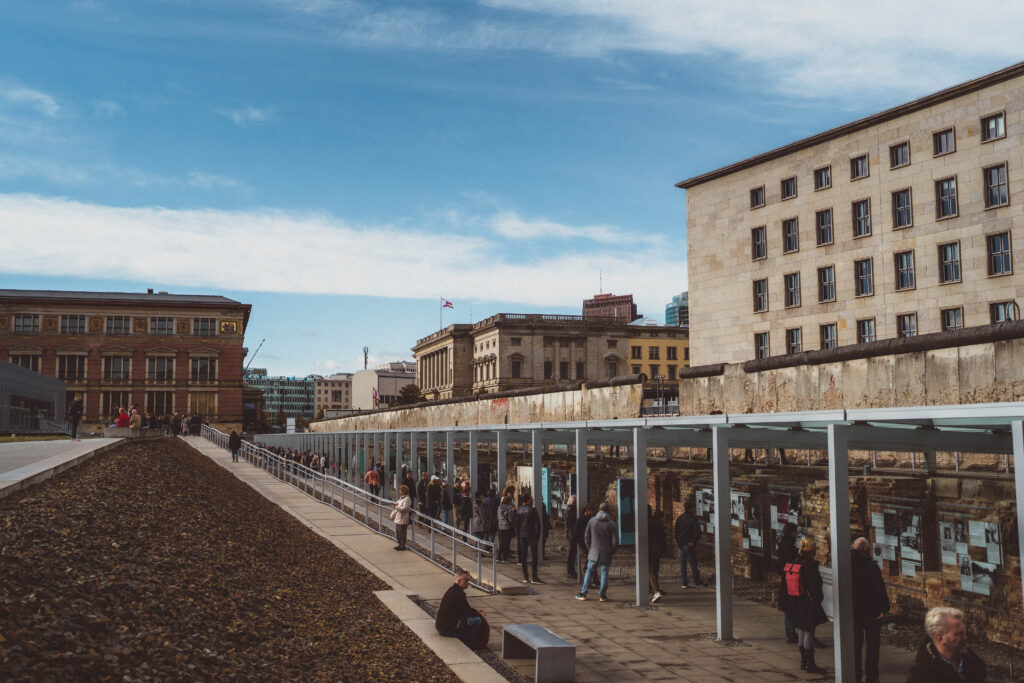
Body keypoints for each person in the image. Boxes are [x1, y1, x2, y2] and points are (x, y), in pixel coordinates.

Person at [906, 606, 986, 683]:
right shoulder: (921, 675)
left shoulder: (975, 665)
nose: (965, 637)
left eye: (964, 632)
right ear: (940, 637)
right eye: (958, 634)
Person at [784, 537, 828, 675]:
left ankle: (803, 662)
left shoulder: (796, 561)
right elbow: (815, 585)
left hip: (796, 601)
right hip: (807, 603)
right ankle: (811, 664)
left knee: (802, 631)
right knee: (809, 631)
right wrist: (817, 600)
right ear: (812, 550)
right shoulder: (809, 565)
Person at [852, 537, 890, 683]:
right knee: (872, 646)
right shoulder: (871, 566)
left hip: (854, 610)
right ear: (867, 550)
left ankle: (855, 675)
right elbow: (878, 588)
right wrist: (884, 608)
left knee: (855, 645)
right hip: (870, 610)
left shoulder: (846, 564)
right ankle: (871, 677)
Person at [435, 569, 488, 650]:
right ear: (459, 581)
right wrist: (479, 615)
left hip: (441, 626)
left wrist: (477, 612)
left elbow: (465, 609)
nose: (468, 583)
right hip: (446, 629)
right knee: (477, 620)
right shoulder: (459, 594)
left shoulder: (451, 590)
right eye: (466, 580)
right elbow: (467, 611)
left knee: (471, 618)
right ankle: (472, 645)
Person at [577, 502, 618, 602]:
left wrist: (590, 548)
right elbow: (615, 540)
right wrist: (612, 550)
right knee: (604, 573)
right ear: (607, 511)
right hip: (606, 551)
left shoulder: (592, 521)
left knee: (589, 571)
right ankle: (602, 595)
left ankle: (583, 593)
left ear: (599, 510)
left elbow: (586, 536)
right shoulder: (611, 524)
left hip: (594, 551)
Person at [777, 522, 799, 643]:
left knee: (789, 607)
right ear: (792, 532)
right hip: (790, 578)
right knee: (791, 606)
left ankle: (791, 632)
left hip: (786, 577)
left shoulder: (783, 543)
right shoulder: (790, 546)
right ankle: (791, 633)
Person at [515, 493, 543, 584]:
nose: (533, 500)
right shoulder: (532, 510)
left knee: (524, 556)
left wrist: (519, 535)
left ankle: (525, 576)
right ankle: (534, 577)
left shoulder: (519, 510)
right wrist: (537, 536)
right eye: (531, 498)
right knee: (534, 557)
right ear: (527, 500)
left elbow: (517, 524)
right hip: (531, 535)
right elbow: (538, 524)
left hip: (522, 535)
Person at [674, 500, 702, 587]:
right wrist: (693, 542)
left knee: (683, 564)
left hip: (682, 544)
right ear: (690, 509)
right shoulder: (693, 519)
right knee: (693, 563)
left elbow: (676, 532)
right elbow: (697, 532)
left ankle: (684, 583)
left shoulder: (680, 518)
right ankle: (697, 582)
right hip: (689, 544)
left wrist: (679, 542)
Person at [574, 503, 597, 587]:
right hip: (584, 545)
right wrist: (580, 541)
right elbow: (576, 533)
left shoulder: (589, 520)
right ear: (587, 510)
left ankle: (593, 580)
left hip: (589, 544)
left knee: (591, 562)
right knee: (585, 563)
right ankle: (588, 582)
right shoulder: (581, 520)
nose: (592, 512)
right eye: (591, 511)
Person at [648, 505, 667, 603]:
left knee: (649, 569)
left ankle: (655, 591)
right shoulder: (657, 522)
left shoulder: (644, 522)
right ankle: (654, 588)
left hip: (648, 548)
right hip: (657, 548)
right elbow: (663, 536)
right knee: (655, 568)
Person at [392, 484, 412, 551]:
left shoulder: (407, 499)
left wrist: (396, 506)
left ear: (403, 491)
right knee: (398, 532)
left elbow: (404, 508)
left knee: (402, 532)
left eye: (400, 490)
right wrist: (396, 504)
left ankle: (402, 545)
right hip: (399, 518)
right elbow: (399, 504)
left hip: (403, 518)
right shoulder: (401, 498)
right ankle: (400, 544)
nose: (399, 491)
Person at [497, 494, 516, 563]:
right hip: (507, 527)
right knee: (506, 542)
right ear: (508, 502)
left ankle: (498, 556)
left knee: (501, 542)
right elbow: (511, 519)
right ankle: (504, 557)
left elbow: (498, 517)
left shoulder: (499, 507)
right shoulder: (509, 508)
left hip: (500, 526)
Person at [565, 495, 578, 579]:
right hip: (573, 534)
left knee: (572, 553)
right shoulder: (571, 510)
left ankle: (570, 570)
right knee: (572, 553)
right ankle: (571, 571)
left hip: (571, 533)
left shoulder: (568, 509)